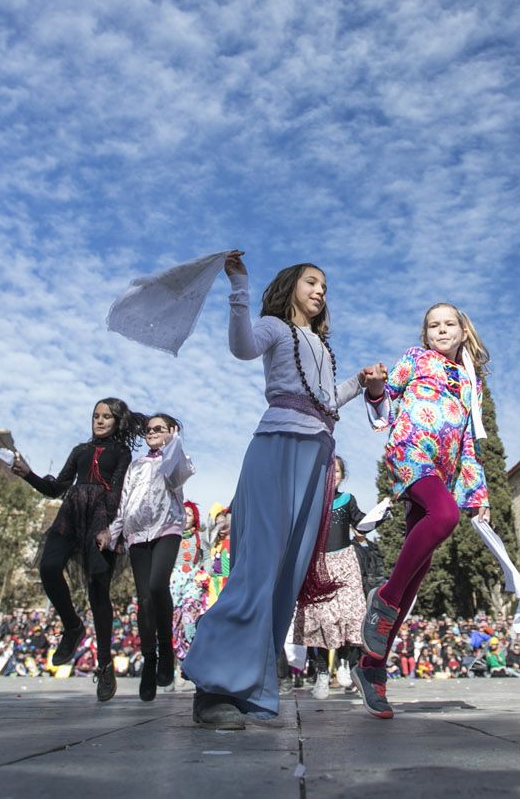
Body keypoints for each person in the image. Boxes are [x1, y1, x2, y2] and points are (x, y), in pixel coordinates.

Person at [182, 253, 387, 729]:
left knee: (287, 576)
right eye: (312, 282)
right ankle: (212, 686)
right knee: (257, 568)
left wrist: (360, 381)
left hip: (316, 457)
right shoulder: (275, 328)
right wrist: (239, 288)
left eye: (325, 287)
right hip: (277, 448)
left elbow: (324, 400)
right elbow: (242, 346)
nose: (320, 291)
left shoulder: (320, 345)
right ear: (291, 286)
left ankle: (248, 685)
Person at [356, 302, 492, 719]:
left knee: (417, 572)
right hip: (410, 452)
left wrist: (478, 493)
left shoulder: (470, 382)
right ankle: (384, 598)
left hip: (445, 470)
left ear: (463, 330)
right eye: (433, 325)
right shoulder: (415, 359)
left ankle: (371, 668)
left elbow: (468, 440)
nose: (441, 330)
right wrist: (377, 385)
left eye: (449, 323)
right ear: (425, 333)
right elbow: (384, 396)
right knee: (444, 518)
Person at [13, 397, 143, 703]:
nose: (99, 420)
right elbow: (57, 487)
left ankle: (105, 665)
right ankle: (72, 626)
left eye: (106, 416)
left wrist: (108, 530)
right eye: (96, 415)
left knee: (99, 593)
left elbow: (118, 490)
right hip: (70, 517)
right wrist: (28, 474)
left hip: (101, 521)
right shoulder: (79, 451)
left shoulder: (121, 452)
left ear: (117, 421)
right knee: (47, 567)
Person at [109, 412, 195, 701]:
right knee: (144, 599)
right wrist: (112, 534)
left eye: (158, 428)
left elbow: (176, 476)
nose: (152, 433)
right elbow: (124, 503)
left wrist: (173, 442)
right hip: (137, 535)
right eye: (148, 430)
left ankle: (166, 648)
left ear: (171, 430)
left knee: (158, 586)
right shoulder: (136, 465)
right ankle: (150, 660)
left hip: (167, 528)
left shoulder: (176, 457)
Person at [297, 456, 370, 699]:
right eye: (329, 471)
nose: (333, 474)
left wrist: (380, 514)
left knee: (350, 614)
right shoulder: (310, 502)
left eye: (337, 471)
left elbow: (361, 523)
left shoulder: (348, 499)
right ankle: (320, 672)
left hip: (345, 562)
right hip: (318, 564)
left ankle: (344, 663)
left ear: (342, 475)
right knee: (318, 618)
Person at [170, 501, 209, 663]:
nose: (186, 517)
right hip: (174, 583)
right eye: (183, 513)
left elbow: (206, 558)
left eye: (190, 514)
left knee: (189, 617)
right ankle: (181, 662)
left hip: (193, 582)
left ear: (195, 518)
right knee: (175, 622)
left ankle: (195, 652)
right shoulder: (172, 536)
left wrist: (205, 574)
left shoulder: (200, 537)